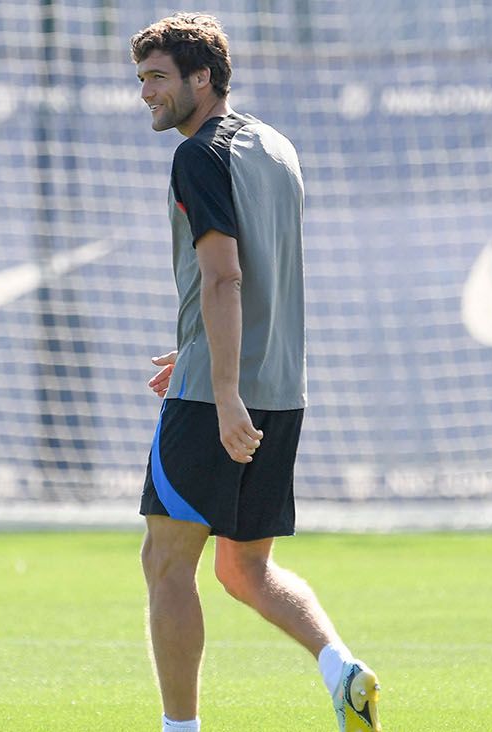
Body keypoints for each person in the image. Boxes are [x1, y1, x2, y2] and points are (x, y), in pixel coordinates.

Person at [130, 14, 381, 732]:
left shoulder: (198, 156)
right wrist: (209, 352)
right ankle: (342, 670)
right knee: (245, 569)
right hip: (279, 390)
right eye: (141, 78)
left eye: (157, 77)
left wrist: (222, 385)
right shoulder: (275, 146)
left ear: (201, 77)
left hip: (221, 398)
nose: (145, 93)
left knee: (167, 562)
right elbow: (262, 277)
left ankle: (181, 730)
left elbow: (226, 279)